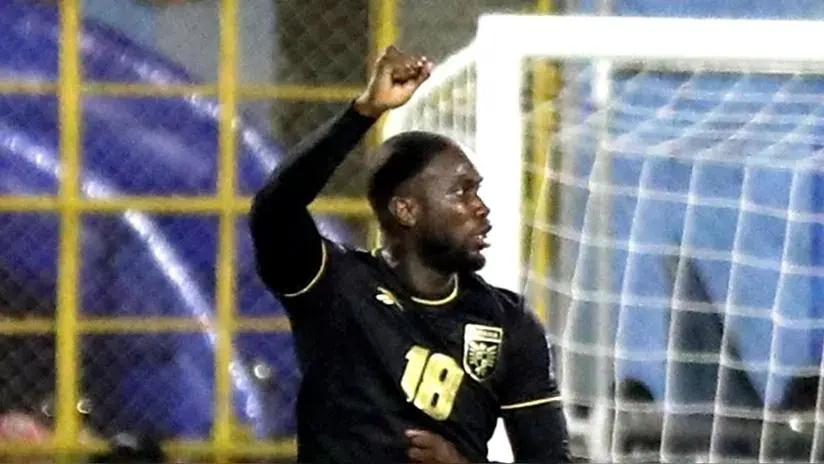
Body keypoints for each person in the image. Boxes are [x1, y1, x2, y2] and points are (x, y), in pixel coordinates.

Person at [250, 45, 570, 463]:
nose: (482, 208)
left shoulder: (509, 323)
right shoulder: (336, 286)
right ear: (406, 210)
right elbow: (274, 209)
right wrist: (362, 113)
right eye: (462, 191)